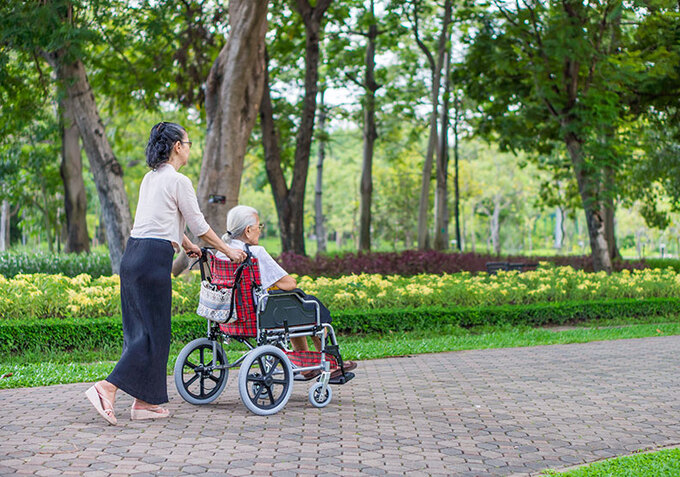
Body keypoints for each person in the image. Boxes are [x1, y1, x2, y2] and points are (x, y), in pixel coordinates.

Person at [85, 122, 247, 426]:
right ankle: (106, 388)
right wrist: (229, 250)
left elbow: (164, 218)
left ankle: (146, 402)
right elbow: (199, 226)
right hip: (152, 260)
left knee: (140, 332)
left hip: (133, 256)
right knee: (153, 335)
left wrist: (185, 245)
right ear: (177, 146)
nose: (189, 149)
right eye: (187, 143)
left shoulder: (150, 179)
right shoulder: (179, 181)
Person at [216, 205, 357, 379]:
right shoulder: (255, 253)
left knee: (294, 304)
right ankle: (332, 362)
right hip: (260, 314)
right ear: (248, 230)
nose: (260, 231)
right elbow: (289, 283)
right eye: (259, 227)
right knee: (309, 305)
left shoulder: (221, 254)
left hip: (231, 315)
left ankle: (305, 364)